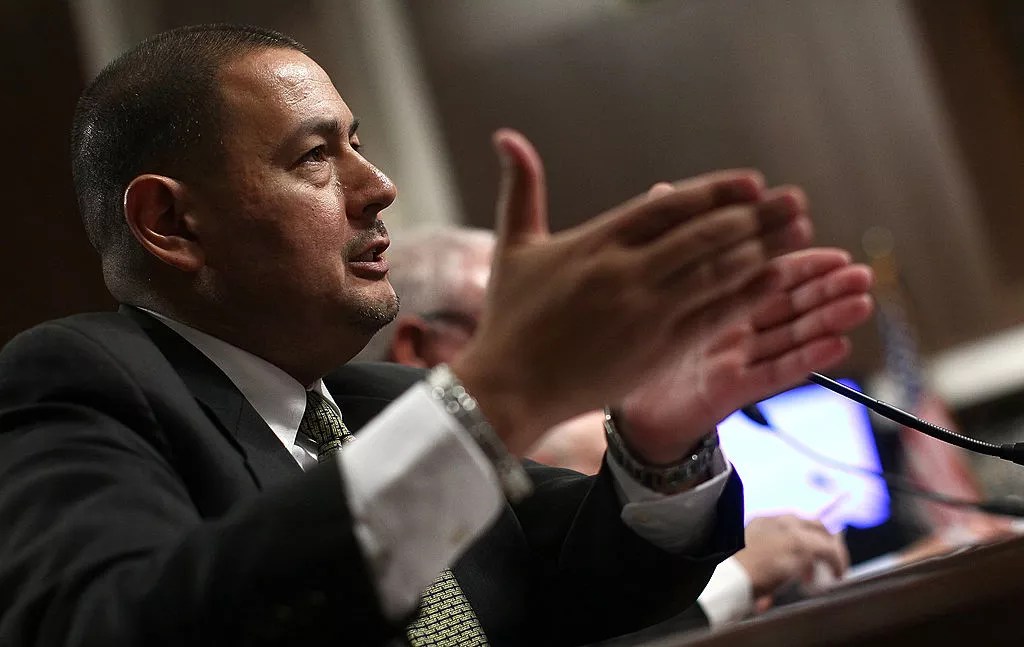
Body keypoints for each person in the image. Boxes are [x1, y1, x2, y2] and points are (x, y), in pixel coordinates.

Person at [0, 24, 874, 646]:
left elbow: (600, 590)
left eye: (358, 144)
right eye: (315, 156)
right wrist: (506, 387)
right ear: (170, 221)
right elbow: (123, 626)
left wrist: (661, 434)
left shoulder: (391, 403)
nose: (378, 185)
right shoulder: (78, 382)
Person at [363, 226, 851, 627]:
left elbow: (606, 584)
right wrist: (736, 579)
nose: (572, 356)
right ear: (421, 353)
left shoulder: (548, 480)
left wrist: (663, 448)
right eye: (532, 330)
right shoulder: (350, 506)